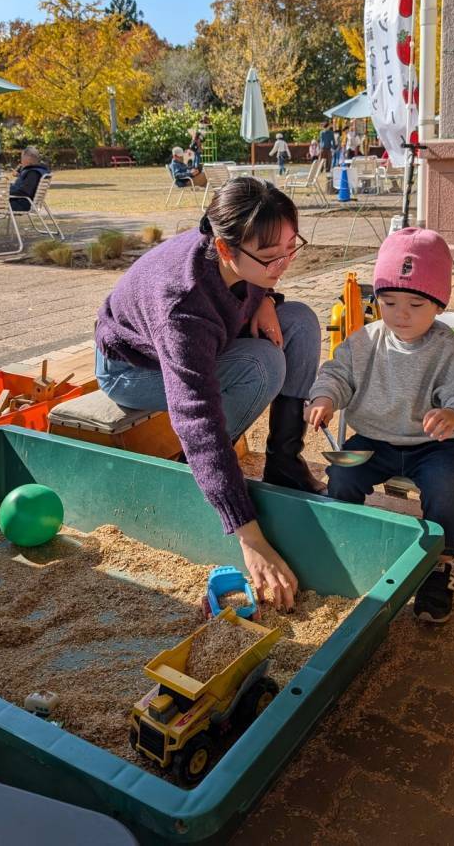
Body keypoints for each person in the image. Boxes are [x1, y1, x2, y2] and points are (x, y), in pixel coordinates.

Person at [95, 177, 322, 611]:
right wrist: (249, 536)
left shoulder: (243, 251)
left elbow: (257, 278)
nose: (285, 263)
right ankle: (193, 478)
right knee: (262, 365)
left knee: (302, 322)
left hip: (206, 337)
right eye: (272, 257)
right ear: (224, 249)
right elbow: (195, 416)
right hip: (132, 368)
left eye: (293, 248)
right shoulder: (183, 305)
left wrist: (266, 297)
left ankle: (285, 464)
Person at [305, 228, 454, 625]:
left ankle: (440, 565)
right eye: (388, 302)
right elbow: (336, 374)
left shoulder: (449, 350)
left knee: (446, 488)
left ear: (439, 305)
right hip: (372, 439)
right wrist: (324, 398)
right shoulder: (365, 341)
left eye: (415, 304)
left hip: (434, 445)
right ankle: (347, 542)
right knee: (340, 472)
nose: (400, 314)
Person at [9, 147, 49, 212]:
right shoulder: (36, 170)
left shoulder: (33, 172)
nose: (21, 160)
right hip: (20, 201)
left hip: (21, 204)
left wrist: (6, 191)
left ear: (27, 158)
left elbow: (25, 191)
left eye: (22, 158)